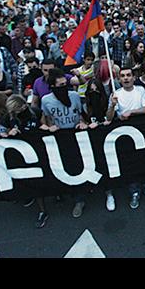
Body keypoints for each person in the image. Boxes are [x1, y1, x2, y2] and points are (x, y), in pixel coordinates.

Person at [40, 69, 92, 222]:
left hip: (76, 136)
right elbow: (46, 118)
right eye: (61, 85)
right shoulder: (46, 100)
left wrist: (83, 123)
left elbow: (82, 114)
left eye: (66, 84)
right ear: (53, 87)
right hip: (59, 139)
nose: (65, 87)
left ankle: (79, 200)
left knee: (79, 166)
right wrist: (48, 127)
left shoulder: (74, 96)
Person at [105, 67, 145, 211]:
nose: (125, 78)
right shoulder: (115, 94)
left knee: (144, 160)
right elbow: (108, 117)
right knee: (131, 164)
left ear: (133, 77)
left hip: (142, 132)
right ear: (119, 79)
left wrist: (131, 112)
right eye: (123, 76)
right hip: (125, 134)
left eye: (128, 75)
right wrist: (112, 106)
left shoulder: (140, 90)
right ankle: (134, 192)